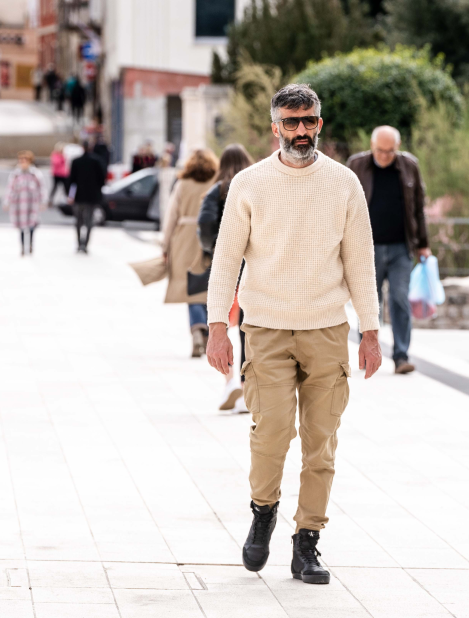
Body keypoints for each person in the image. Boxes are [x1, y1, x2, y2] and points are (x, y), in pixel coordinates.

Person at [206, 84, 381, 585]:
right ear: (274, 126)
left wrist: (371, 331)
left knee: (321, 441)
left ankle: (307, 542)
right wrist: (218, 326)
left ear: (319, 124)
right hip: (265, 327)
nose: (300, 131)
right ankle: (263, 512)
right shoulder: (249, 183)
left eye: (308, 121)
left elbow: (360, 262)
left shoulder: (344, 183)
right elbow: (225, 259)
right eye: (291, 121)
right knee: (272, 432)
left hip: (327, 327)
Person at [347, 126, 432, 374]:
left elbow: (418, 207)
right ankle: (366, 355)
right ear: (372, 147)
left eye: (390, 151)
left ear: (398, 147)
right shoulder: (357, 165)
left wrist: (423, 244)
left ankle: (401, 356)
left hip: (400, 248)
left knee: (399, 299)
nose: (385, 156)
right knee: (368, 304)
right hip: (366, 249)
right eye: (381, 151)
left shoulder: (409, 166)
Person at [197, 144, 253, 412]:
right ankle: (244, 387)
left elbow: (205, 226)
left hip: (226, 264)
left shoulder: (217, 190)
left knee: (222, 322)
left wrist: (214, 250)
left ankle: (229, 381)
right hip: (252, 265)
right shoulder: (255, 185)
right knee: (246, 325)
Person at [162, 149, 218, 357]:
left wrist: (165, 246)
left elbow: (171, 216)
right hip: (209, 236)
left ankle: (197, 329)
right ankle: (204, 331)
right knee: (207, 287)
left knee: (190, 287)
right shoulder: (215, 181)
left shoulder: (182, 184)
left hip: (184, 238)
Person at [68, 140, 107, 253]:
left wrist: (70, 195)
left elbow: (71, 180)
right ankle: (85, 244)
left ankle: (80, 243)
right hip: (92, 196)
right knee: (89, 220)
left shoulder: (76, 161)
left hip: (79, 195)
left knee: (79, 221)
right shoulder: (97, 161)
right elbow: (102, 179)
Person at [4, 150, 43, 257]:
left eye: (25, 160)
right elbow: (10, 188)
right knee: (21, 227)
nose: (23, 163)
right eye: (21, 160)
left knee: (31, 225)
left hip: (32, 204)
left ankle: (30, 244)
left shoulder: (35, 174)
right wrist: (7, 201)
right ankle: (22, 247)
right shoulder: (15, 174)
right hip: (19, 204)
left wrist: (42, 201)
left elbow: (41, 188)